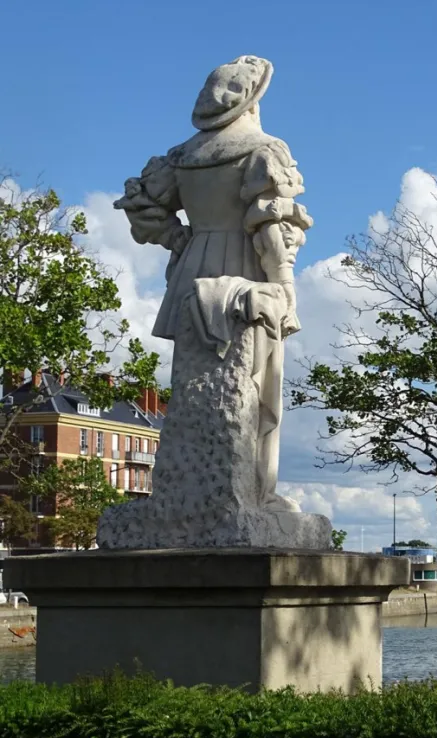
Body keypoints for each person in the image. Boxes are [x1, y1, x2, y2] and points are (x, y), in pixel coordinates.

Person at [113, 55, 312, 511]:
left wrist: (178, 239)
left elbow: (142, 209)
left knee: (193, 382)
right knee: (257, 380)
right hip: (247, 270)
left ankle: (201, 491)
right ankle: (254, 491)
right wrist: (284, 284)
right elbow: (269, 224)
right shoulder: (263, 150)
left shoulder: (182, 158)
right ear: (253, 102)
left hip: (191, 273)